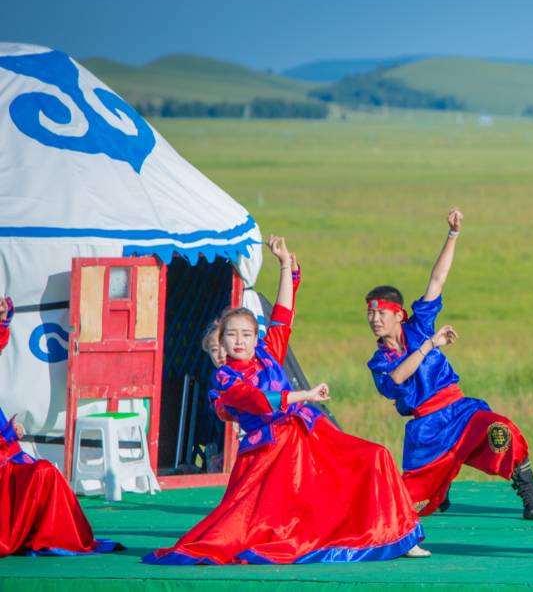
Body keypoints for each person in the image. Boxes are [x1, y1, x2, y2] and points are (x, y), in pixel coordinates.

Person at [145, 236, 428, 564]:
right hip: (269, 455)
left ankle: (401, 534)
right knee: (257, 530)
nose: (239, 340)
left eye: (246, 334)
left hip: (308, 434)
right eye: (232, 335)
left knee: (375, 456)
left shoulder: (268, 354)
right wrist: (305, 395)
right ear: (221, 341)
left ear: (256, 337)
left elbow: (282, 315)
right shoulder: (226, 379)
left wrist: (282, 265)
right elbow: (258, 400)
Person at [366, 208, 533, 520]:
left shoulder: (419, 325)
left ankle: (529, 497)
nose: (374, 320)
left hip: (460, 410)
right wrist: (430, 345)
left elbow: (437, 278)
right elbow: (396, 379)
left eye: (381, 313)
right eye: (370, 314)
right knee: (407, 506)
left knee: (502, 430)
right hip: (426, 428)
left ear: (399, 314)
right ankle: (440, 490)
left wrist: (453, 234)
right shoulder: (380, 360)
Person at [0, 295, 121, 557]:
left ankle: (52, 536)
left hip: (10, 459)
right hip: (4, 465)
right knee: (43, 472)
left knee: (46, 472)